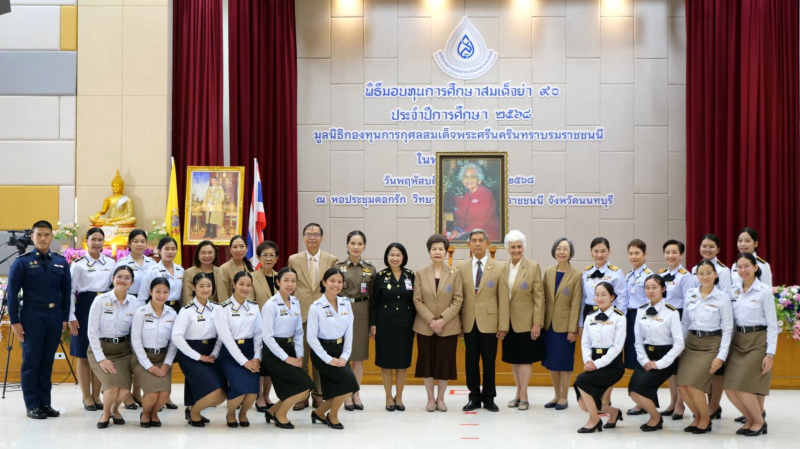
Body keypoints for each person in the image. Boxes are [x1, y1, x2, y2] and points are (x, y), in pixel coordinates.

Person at [6, 220, 71, 419]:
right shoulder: (22, 262)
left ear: (52, 237)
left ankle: (45, 403)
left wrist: (64, 318)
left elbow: (66, 292)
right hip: (32, 316)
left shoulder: (60, 262)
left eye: (47, 235)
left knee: (47, 362)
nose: (43, 238)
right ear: (32, 237)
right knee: (32, 362)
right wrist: (15, 322)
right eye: (39, 235)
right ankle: (32, 404)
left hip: (54, 317)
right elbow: (12, 293)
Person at [677, 260, 733, 434]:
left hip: (711, 345)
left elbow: (727, 328)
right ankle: (698, 417)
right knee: (682, 386)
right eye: (701, 273)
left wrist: (721, 356)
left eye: (708, 273)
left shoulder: (722, 297)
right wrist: (679, 347)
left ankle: (705, 420)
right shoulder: (691, 294)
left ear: (715, 275)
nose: (705, 276)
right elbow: (685, 323)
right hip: (691, 343)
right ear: (697, 276)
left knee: (694, 386)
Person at [724, 253, 777, 437]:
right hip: (738, 340)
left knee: (743, 387)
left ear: (755, 268)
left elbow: (772, 324)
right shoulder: (733, 290)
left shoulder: (764, 291)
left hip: (758, 341)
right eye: (739, 267)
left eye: (746, 266)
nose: (743, 270)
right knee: (729, 387)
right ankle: (750, 419)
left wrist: (770, 354)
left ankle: (759, 422)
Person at [456, 228, 509, 412]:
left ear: (488, 244)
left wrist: (503, 324)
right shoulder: (461, 267)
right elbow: (458, 298)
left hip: (490, 324)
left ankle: (489, 398)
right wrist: (459, 324)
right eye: (474, 241)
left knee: (489, 362)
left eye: (481, 240)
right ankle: (474, 397)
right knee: (470, 362)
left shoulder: (499, 267)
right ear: (469, 245)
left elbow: (503, 298)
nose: (477, 244)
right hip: (469, 322)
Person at [287, 223, 337, 410]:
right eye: (309, 234)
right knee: (301, 358)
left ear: (322, 238)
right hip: (301, 316)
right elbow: (290, 288)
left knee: (320, 359)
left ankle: (319, 395)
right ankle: (301, 395)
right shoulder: (294, 259)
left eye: (316, 234)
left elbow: (334, 287)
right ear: (303, 237)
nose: (312, 237)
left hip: (324, 317)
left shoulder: (331, 260)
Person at [413, 234, 463, 412]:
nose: (437, 252)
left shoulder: (455, 273)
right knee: (426, 363)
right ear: (429, 252)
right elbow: (417, 300)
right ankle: (430, 399)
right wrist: (431, 320)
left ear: (446, 251)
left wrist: (442, 320)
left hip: (448, 326)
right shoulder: (420, 273)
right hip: (424, 326)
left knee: (444, 363)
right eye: (434, 249)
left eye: (441, 249)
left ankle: (441, 399)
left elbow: (458, 299)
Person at [628, 275, 685, 431]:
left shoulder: (671, 312)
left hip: (665, 357)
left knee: (641, 388)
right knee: (633, 391)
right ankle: (656, 416)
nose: (650, 291)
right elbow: (638, 341)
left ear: (663, 289)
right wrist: (644, 361)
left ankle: (655, 418)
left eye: (654, 287)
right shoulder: (641, 310)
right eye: (647, 287)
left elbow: (679, 344)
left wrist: (659, 364)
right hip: (646, 356)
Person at [261, 267, 315, 428]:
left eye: (293, 281)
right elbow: (267, 337)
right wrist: (286, 359)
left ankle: (272, 412)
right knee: (305, 385)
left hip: (290, 349)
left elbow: (298, 332)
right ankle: (281, 414)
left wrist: (299, 355)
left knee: (302, 386)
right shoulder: (271, 305)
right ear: (278, 282)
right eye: (286, 280)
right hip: (273, 352)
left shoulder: (295, 302)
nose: (290, 284)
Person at [306, 268, 360, 430]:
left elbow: (349, 331)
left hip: (340, 351)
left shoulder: (346, 303)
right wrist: (328, 359)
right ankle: (333, 415)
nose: (336, 285)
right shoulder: (316, 306)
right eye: (332, 281)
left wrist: (345, 355)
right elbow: (311, 338)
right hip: (321, 353)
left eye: (339, 282)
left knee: (346, 387)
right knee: (349, 383)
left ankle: (319, 412)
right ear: (324, 282)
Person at [87, 265, 139, 429]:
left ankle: (114, 410)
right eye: (119, 276)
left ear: (132, 282)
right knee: (111, 389)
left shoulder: (135, 303)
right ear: (113, 279)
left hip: (123, 351)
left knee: (124, 392)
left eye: (127, 278)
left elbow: (137, 333)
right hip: (100, 350)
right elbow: (92, 332)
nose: (123, 280)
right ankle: (105, 414)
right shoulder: (100, 300)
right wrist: (101, 358)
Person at [172, 273, 227, 427]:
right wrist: (198, 356)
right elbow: (176, 336)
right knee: (215, 391)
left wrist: (214, 354)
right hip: (190, 354)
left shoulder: (217, 308)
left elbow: (221, 335)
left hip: (211, 353)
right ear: (193, 287)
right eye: (201, 286)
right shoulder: (186, 310)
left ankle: (192, 408)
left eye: (208, 286)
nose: (205, 289)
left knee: (222, 394)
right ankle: (194, 413)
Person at [69, 227, 114, 411]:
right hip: (84, 307)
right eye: (93, 239)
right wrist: (71, 316)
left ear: (104, 242)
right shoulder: (78, 264)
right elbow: (70, 291)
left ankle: (97, 395)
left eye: (100, 239)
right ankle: (86, 396)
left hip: (105, 306)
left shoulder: (111, 262)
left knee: (100, 352)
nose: (96, 243)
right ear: (86, 241)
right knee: (83, 353)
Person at [579, 237, 627, 408]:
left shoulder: (616, 272)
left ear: (609, 252)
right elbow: (583, 299)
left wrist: (618, 321)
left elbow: (622, 299)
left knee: (609, 356)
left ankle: (606, 399)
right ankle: (594, 396)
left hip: (610, 315)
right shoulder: (586, 272)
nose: (599, 254)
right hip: (590, 315)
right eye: (596, 251)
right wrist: (580, 323)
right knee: (593, 352)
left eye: (603, 251)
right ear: (590, 252)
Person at [730, 228, 772, 425]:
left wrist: (770, 351)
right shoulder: (734, 269)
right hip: (739, 334)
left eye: (747, 240)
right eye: (740, 240)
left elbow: (768, 296)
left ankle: (758, 412)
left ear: (755, 243)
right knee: (736, 384)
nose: (743, 244)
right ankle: (751, 412)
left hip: (758, 331)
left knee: (756, 379)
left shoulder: (763, 268)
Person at [499, 230, 544, 411]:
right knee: (515, 360)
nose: (516, 250)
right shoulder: (503, 267)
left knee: (525, 360)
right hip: (508, 322)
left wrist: (537, 323)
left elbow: (539, 297)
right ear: (507, 248)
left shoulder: (533, 266)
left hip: (527, 322)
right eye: (513, 247)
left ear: (523, 247)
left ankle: (524, 395)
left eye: (519, 246)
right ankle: (518, 393)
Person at [573, 282, 626, 433]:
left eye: (604, 295)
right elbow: (585, 342)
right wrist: (588, 360)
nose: (600, 298)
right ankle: (614, 412)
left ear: (612, 297)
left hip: (612, 365)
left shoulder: (619, 317)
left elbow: (617, 347)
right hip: (593, 361)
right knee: (584, 405)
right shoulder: (590, 316)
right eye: (597, 295)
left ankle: (594, 420)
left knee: (581, 380)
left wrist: (597, 364)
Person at [369, 243, 415, 411]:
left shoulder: (410, 275)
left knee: (402, 363)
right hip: (385, 324)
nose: (395, 258)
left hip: (406, 325)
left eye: (398, 255)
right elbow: (374, 302)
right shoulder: (381, 276)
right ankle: (388, 396)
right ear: (387, 257)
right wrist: (372, 323)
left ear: (404, 257)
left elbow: (415, 300)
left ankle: (399, 396)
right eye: (392, 255)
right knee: (386, 362)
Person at [690, 234, 731, 420]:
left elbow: (727, 297)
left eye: (711, 246)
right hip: (699, 325)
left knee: (716, 371)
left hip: (718, 326)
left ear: (718, 249)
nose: (707, 249)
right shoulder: (694, 269)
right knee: (703, 371)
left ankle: (714, 405)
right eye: (704, 246)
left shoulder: (723, 271)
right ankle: (706, 405)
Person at [334, 231, 375, 410]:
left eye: (359, 244)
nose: (356, 247)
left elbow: (374, 297)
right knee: (343, 356)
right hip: (342, 311)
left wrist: (372, 322)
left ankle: (356, 393)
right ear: (347, 245)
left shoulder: (370, 268)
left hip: (362, 312)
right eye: (352, 243)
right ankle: (345, 394)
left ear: (364, 246)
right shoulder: (338, 267)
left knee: (358, 356)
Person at [215, 271, 262, 427]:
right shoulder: (223, 308)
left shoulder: (254, 307)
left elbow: (258, 334)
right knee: (240, 389)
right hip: (230, 354)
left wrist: (257, 357)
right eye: (241, 284)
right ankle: (230, 414)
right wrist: (244, 362)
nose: (245, 288)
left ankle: (243, 414)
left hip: (250, 352)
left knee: (253, 392)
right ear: (234, 284)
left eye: (248, 285)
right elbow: (226, 338)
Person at [656, 239, 697, 419]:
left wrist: (683, 329)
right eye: (667, 252)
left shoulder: (686, 276)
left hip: (679, 319)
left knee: (680, 363)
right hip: (664, 320)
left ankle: (680, 404)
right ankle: (673, 401)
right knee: (671, 364)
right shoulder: (660, 274)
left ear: (681, 255)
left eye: (674, 252)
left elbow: (689, 304)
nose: (670, 255)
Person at [130, 277, 178, 427]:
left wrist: (167, 363)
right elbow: (136, 342)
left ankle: (154, 413)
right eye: (158, 291)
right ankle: (145, 413)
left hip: (162, 359)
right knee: (152, 394)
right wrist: (148, 365)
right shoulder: (141, 312)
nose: (161, 295)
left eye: (165, 292)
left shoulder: (172, 313)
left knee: (164, 395)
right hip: (142, 359)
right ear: (150, 291)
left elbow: (173, 342)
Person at [542, 237, 582, 410]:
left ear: (571, 252)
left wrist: (573, 329)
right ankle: (556, 395)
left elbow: (576, 304)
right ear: (554, 251)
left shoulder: (576, 275)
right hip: (548, 325)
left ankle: (564, 397)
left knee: (564, 363)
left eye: (565, 249)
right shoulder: (548, 272)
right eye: (559, 248)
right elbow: (543, 299)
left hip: (565, 327)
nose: (562, 252)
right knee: (552, 362)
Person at [623, 239, 652, 416]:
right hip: (629, 317)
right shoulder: (629, 276)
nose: (634, 256)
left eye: (637, 253)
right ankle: (639, 401)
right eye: (631, 253)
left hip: (642, 318)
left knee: (642, 359)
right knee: (634, 360)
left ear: (645, 254)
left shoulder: (649, 275)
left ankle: (643, 402)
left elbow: (651, 300)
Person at [251, 240, 280, 412]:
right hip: (259, 328)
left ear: (276, 258)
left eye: (272, 255)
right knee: (260, 364)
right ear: (259, 257)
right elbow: (251, 304)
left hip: (277, 329)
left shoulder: (280, 277)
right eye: (265, 255)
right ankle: (259, 397)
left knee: (270, 366)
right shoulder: (252, 277)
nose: (268, 259)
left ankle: (267, 396)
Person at [447, 163, 500, 241]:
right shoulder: (466, 195)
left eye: (473, 176)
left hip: (487, 234)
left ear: (479, 180)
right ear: (462, 180)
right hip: (469, 233)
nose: (469, 179)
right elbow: (461, 218)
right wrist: (458, 229)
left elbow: (479, 222)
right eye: (465, 176)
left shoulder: (486, 194)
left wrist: (464, 232)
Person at [137, 237, 184, 314]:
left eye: (173, 249)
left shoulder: (180, 270)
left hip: (177, 309)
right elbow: (142, 296)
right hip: (157, 308)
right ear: (159, 251)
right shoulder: (153, 271)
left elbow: (182, 295)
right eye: (166, 249)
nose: (170, 252)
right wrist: (143, 314)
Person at [115, 229, 157, 299]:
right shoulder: (122, 263)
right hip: (128, 299)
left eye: (142, 241)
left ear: (146, 244)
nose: (139, 244)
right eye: (135, 241)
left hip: (150, 300)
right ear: (129, 244)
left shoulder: (152, 263)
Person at [182, 240, 221, 305]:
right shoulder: (189, 273)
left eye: (210, 252)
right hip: (195, 309)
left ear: (215, 255)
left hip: (217, 309)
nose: (207, 256)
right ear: (198, 255)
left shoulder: (220, 271)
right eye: (203, 253)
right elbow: (187, 297)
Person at [217, 235, 254, 302]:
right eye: (235, 247)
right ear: (230, 250)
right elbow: (222, 296)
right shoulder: (224, 269)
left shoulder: (249, 268)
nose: (238, 250)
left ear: (247, 249)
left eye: (242, 246)